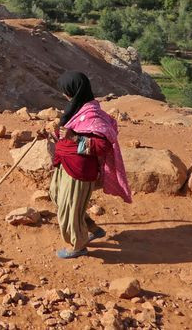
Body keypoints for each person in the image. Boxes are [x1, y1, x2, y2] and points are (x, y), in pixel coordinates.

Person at [49, 71, 132, 258]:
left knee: (70, 207)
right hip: (65, 164)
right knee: (57, 197)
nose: (64, 94)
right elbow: (67, 135)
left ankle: (78, 246)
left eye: (65, 91)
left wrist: (74, 136)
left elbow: (101, 146)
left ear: (74, 90)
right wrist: (52, 135)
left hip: (79, 170)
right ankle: (91, 228)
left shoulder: (92, 115)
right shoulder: (76, 108)